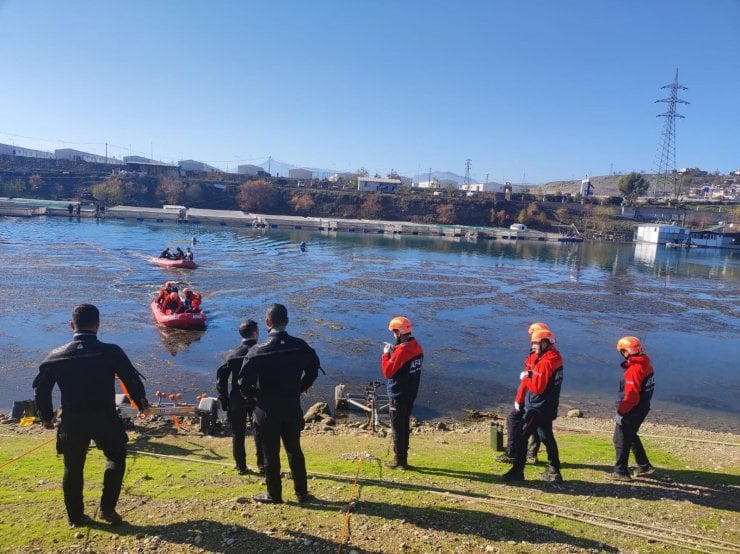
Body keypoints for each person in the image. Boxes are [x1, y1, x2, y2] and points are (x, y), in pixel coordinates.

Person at [32, 304, 150, 528]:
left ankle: (75, 517)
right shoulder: (110, 351)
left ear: (71, 325)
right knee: (116, 457)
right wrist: (142, 405)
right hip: (104, 417)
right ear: (98, 324)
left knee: (73, 466)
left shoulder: (55, 356)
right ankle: (107, 509)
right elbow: (130, 378)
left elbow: (41, 388)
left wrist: (46, 416)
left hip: (72, 419)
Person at [238, 303, 320, 503]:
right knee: (294, 449)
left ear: (267, 322)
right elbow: (313, 370)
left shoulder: (257, 351)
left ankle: (274, 494)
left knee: (270, 453)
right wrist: (299, 388)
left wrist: (256, 396)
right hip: (291, 406)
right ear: (287, 321)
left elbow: (243, 383)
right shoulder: (300, 346)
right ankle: (302, 492)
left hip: (267, 409)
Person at [502, 328, 564, 483]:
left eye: (536, 343)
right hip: (547, 407)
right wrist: (531, 375)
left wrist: (526, 378)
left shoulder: (546, 362)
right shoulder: (554, 358)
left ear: (545, 343)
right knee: (546, 437)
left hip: (537, 408)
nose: (533, 346)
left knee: (520, 436)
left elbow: (538, 388)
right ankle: (554, 470)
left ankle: (518, 471)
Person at [216, 320, 264, 475]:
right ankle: (262, 464)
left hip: (236, 395)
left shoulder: (232, 354)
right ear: (255, 333)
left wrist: (224, 398)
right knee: (259, 430)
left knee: (238, 432)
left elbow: (221, 378)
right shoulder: (260, 352)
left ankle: (241, 466)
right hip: (257, 395)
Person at [497, 322, 546, 464]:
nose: (532, 341)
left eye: (534, 338)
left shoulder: (540, 358)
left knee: (516, 420)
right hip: (532, 397)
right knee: (536, 425)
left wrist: (519, 399)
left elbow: (530, 381)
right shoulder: (540, 355)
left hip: (532, 397)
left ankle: (515, 453)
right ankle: (531, 453)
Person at [608, 336, 655, 481]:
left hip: (631, 410)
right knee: (631, 435)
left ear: (626, 352)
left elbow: (631, 396)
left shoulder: (634, 370)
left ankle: (620, 471)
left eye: (622, 351)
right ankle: (644, 465)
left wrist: (621, 411)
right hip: (643, 407)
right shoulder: (646, 364)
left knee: (620, 439)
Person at [381, 316, 423, 470]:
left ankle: (400, 461)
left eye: (393, 331)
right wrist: (395, 352)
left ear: (398, 332)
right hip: (411, 393)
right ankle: (403, 457)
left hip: (398, 395)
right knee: (404, 425)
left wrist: (386, 355)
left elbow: (388, 372)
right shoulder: (417, 347)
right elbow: (404, 364)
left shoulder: (402, 351)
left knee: (397, 427)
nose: (392, 334)